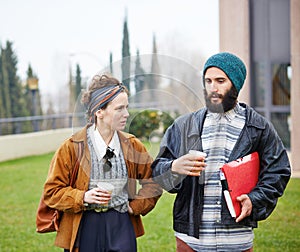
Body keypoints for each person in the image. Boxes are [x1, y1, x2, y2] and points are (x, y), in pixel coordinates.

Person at [151, 52, 291, 252]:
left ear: (235, 84)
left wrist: (255, 198)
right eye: (208, 81)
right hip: (190, 241)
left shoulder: (258, 127)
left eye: (220, 81)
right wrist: (174, 166)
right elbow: (157, 170)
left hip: (237, 239)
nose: (212, 88)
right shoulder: (183, 126)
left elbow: (278, 172)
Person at [43, 74, 162, 252]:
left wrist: (135, 206)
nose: (127, 114)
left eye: (126, 107)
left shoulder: (133, 145)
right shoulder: (71, 148)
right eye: (119, 109)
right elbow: (52, 192)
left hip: (121, 225)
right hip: (84, 225)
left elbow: (153, 182)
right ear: (99, 111)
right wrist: (83, 197)